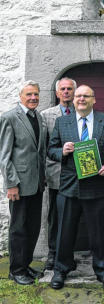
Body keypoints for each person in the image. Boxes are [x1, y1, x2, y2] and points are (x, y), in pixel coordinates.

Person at [48, 85, 104, 290]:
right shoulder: (62, 122)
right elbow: (51, 150)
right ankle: (61, 270)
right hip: (69, 187)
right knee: (64, 232)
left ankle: (103, 271)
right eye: (78, 96)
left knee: (99, 233)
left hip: (98, 187)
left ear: (94, 99)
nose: (81, 99)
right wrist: (61, 151)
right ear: (73, 100)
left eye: (86, 96)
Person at [0, 81, 46, 285]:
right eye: (29, 94)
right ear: (20, 96)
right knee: (18, 228)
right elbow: (4, 156)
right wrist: (11, 184)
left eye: (36, 94)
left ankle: (25, 264)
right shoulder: (9, 117)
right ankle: (15, 270)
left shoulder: (39, 116)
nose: (33, 98)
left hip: (36, 183)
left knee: (32, 226)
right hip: (18, 184)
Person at [41, 77, 77, 270]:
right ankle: (53, 253)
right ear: (56, 93)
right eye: (62, 89)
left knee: (74, 215)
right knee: (54, 216)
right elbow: (43, 147)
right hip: (55, 174)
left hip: (78, 175)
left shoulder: (82, 112)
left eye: (69, 89)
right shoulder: (46, 115)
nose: (66, 92)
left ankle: (70, 252)